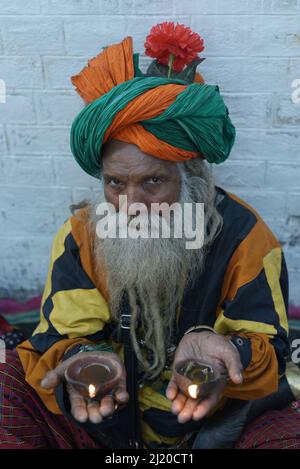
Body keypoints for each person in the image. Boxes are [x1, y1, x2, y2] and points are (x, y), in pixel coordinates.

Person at [1, 29, 300, 449]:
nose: (130, 204)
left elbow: (268, 347)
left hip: (211, 424)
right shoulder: (83, 232)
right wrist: (79, 358)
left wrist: (223, 350)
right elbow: (59, 334)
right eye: (115, 183)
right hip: (103, 419)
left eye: (153, 182)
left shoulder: (244, 235)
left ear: (190, 173)